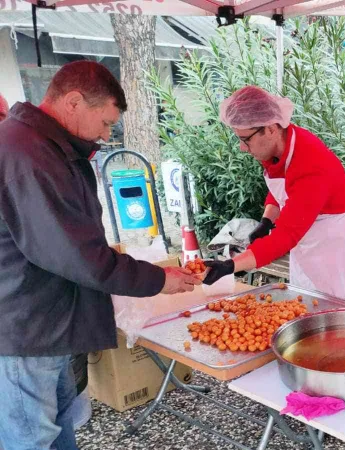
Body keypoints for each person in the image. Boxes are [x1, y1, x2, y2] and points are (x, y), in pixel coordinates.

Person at [0, 60, 200, 450]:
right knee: (30, 438)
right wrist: (160, 279)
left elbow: (66, 238)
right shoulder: (27, 154)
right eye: (106, 122)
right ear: (73, 102)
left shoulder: (46, 147)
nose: (106, 134)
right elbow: (76, 253)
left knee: (59, 424)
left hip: (50, 324)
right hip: (27, 327)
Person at [204, 86, 345, 302]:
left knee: (333, 311)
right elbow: (280, 189)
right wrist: (267, 221)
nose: (242, 148)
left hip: (331, 246)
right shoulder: (278, 146)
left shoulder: (311, 165)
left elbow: (286, 235)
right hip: (306, 236)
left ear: (270, 128)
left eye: (246, 139)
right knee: (304, 300)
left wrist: (231, 265)